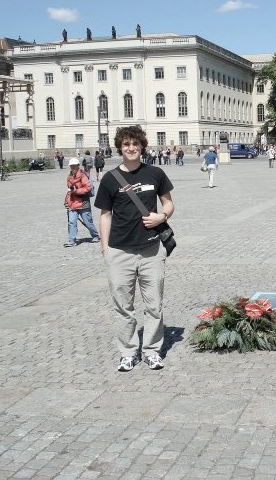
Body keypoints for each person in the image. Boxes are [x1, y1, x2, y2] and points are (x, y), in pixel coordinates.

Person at [94, 125, 174, 371]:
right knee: (123, 307)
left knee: (154, 305)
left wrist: (161, 217)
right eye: (126, 144)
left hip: (151, 251)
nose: (131, 148)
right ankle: (128, 352)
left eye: (135, 144)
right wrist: (105, 249)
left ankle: (151, 351)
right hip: (120, 252)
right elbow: (105, 215)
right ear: (120, 148)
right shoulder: (109, 179)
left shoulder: (155, 173)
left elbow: (169, 204)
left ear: (142, 146)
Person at [64, 158, 99, 247]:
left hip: (83, 202)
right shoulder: (69, 176)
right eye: (71, 166)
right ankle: (72, 240)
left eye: (74, 165)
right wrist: (67, 200)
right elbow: (69, 190)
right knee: (72, 222)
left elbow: (88, 188)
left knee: (88, 222)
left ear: (78, 165)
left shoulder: (83, 175)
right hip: (73, 203)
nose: (72, 167)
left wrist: (76, 191)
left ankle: (95, 235)